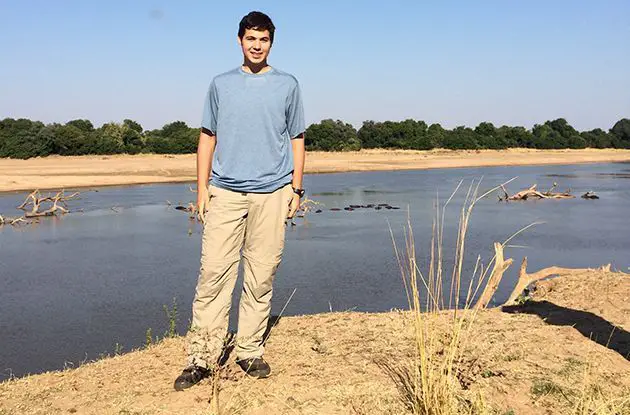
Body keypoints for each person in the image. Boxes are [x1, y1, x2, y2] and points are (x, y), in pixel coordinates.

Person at [174, 11, 306, 391]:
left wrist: (296, 189)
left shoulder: (287, 85)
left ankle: (249, 350)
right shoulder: (220, 84)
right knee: (214, 273)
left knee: (260, 275)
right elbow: (206, 137)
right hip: (226, 193)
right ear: (239, 40)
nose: (256, 45)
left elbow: (297, 138)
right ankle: (202, 357)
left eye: (263, 40)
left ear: (271, 43)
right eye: (251, 38)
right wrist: (201, 190)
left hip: (273, 192)